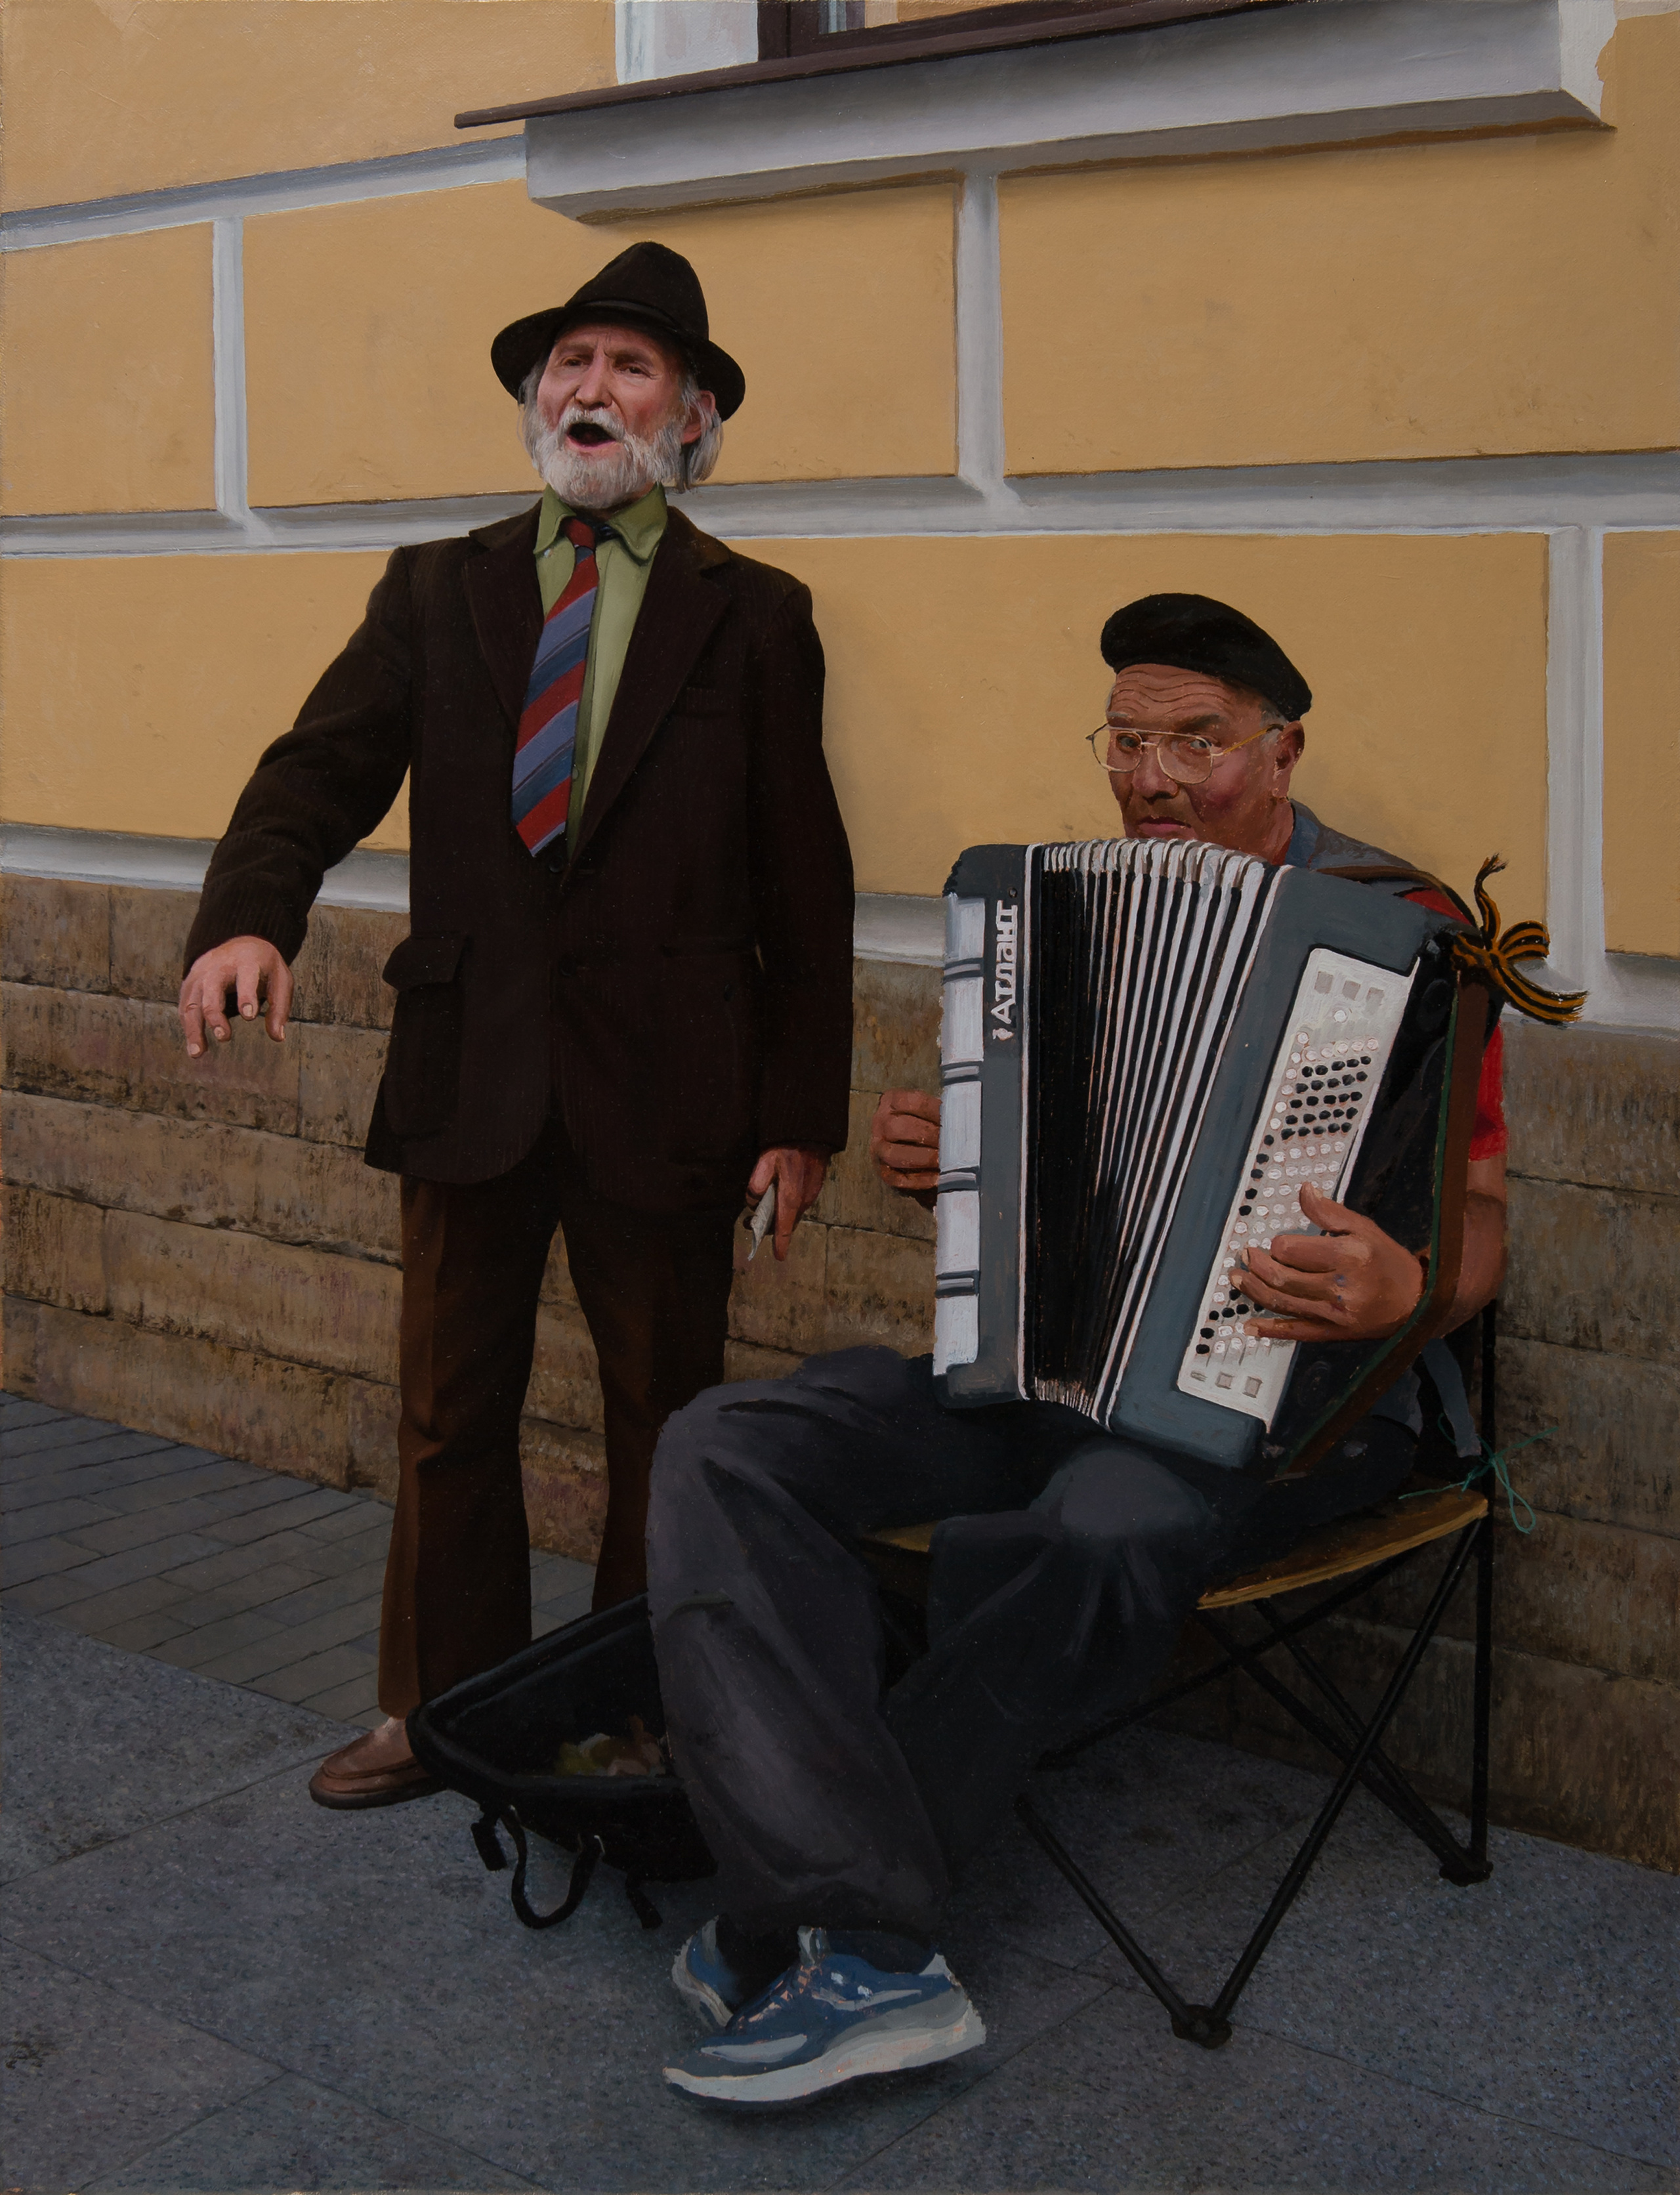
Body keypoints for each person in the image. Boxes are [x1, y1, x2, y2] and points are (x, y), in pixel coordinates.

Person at [645, 593, 1508, 2109]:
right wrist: (951, 1161)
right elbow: (1053, 1192)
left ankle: (827, 1921)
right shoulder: (1055, 911)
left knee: (1102, 1519)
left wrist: (1407, 1284)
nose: (1151, 776)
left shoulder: (1404, 933)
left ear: (1282, 750)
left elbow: (1483, 1217)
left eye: (1197, 741)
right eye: (1124, 741)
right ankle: (848, 1915)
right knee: (731, 1441)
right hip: (1049, 1372)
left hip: (1300, 1406)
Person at [177, 243, 854, 1811]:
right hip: (468, 1065)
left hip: (671, 1090)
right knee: (445, 1411)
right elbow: (316, 769)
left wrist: (797, 1113)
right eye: (570, 363)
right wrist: (246, 916)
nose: (591, 390)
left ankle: (632, 1719)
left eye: (631, 368)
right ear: (538, 399)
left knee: (664, 1426)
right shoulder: (436, 586)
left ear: (690, 418)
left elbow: (803, 881)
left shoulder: (755, 615)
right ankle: (439, 1713)